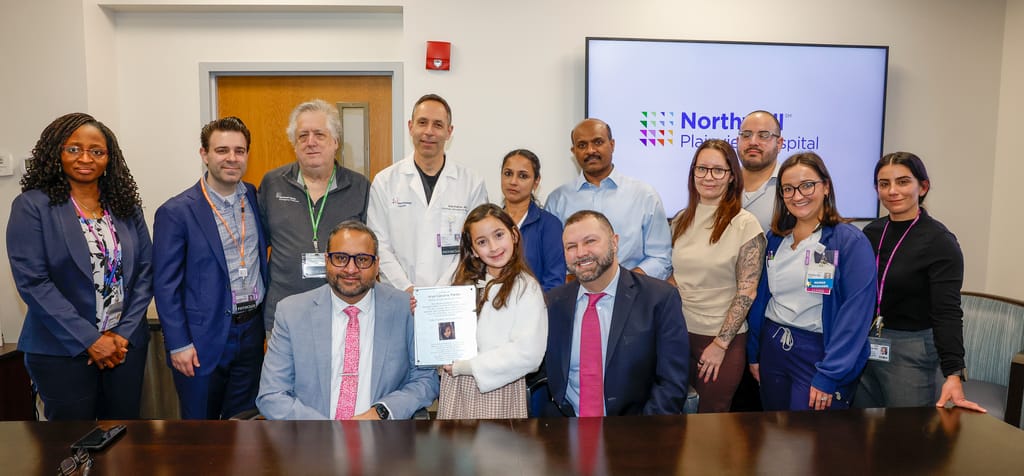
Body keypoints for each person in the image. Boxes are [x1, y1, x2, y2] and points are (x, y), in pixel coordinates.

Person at [7, 112, 152, 420]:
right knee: (72, 441)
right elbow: (34, 283)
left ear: (109, 159)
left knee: (125, 435)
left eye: (97, 151)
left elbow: (145, 272)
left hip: (124, 348)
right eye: (74, 149)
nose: (85, 158)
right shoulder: (32, 206)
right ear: (56, 153)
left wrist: (122, 334)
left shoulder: (125, 206)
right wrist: (91, 340)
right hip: (61, 350)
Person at [257, 220, 439, 420]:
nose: (351, 269)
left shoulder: (406, 309)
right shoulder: (291, 312)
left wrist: (382, 412)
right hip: (313, 434)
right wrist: (330, 431)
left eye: (362, 260)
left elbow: (425, 380)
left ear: (377, 265)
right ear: (327, 260)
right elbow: (272, 395)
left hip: (380, 433)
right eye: (341, 258)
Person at [153, 117, 268, 419]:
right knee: (200, 428)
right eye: (222, 150)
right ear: (204, 154)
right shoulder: (176, 212)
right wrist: (178, 344)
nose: (232, 158)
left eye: (239, 151)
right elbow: (165, 286)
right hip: (201, 340)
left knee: (245, 424)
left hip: (251, 333)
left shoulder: (254, 197)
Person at [855, 152, 985, 412]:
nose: (892, 191)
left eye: (903, 182)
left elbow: (947, 311)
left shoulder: (939, 241)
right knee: (861, 428)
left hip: (911, 350)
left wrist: (953, 373)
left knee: (906, 431)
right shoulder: (871, 233)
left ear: (923, 187)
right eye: (884, 184)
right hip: (865, 344)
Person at [746, 152, 876, 411]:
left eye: (807, 185)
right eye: (788, 189)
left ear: (825, 187)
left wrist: (830, 373)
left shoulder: (848, 242)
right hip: (773, 350)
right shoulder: (776, 239)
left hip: (819, 355)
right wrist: (754, 352)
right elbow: (761, 299)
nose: (797, 196)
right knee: (773, 430)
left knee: (808, 434)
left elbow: (855, 314)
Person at [543, 210, 689, 417]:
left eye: (590, 241)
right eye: (571, 246)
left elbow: (672, 384)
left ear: (614, 242)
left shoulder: (659, 298)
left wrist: (642, 431)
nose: (581, 252)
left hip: (635, 427)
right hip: (566, 424)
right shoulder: (554, 303)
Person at [668, 139, 765, 413]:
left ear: (732, 176)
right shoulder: (680, 220)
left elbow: (747, 292)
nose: (708, 177)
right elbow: (677, 277)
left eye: (718, 170)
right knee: (676, 421)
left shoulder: (745, 224)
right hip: (678, 335)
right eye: (702, 169)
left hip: (720, 341)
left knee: (710, 422)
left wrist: (720, 345)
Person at [258, 99, 370, 333]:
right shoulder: (272, 184)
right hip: (283, 315)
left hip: (343, 313)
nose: (311, 142)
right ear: (294, 143)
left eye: (319, 134)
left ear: (335, 141)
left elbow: (370, 253)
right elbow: (256, 246)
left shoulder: (359, 187)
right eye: (303, 136)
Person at [367, 94, 489, 294]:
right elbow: (379, 243)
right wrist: (405, 287)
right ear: (410, 127)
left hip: (453, 293)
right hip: (399, 294)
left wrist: (440, 292)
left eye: (438, 125)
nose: (429, 132)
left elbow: (475, 243)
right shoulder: (385, 182)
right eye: (422, 122)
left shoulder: (472, 183)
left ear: (449, 132)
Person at [437, 204, 547, 419]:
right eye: (482, 242)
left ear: (514, 235)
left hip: (500, 390)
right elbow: (440, 331)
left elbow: (529, 354)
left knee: (494, 441)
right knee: (454, 441)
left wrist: (466, 367)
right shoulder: (458, 283)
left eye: (499, 235)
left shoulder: (526, 288)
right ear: (473, 250)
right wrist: (424, 312)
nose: (494, 247)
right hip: (456, 389)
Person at [545, 118, 672, 279]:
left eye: (598, 142)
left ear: (612, 145)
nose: (590, 150)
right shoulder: (557, 200)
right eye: (582, 145)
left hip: (631, 290)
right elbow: (550, 259)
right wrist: (572, 283)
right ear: (573, 151)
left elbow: (660, 258)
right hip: (575, 290)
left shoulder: (644, 196)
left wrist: (623, 283)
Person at [499, 149, 565, 291]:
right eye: (508, 174)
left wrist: (528, 303)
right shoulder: (490, 222)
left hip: (536, 303)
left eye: (523, 176)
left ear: (536, 181)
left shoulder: (550, 225)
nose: (513, 182)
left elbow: (554, 282)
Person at [737, 110, 785, 232]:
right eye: (746, 135)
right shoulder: (720, 183)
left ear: (779, 143)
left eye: (763, 135)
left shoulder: (792, 187)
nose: (753, 142)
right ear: (737, 141)